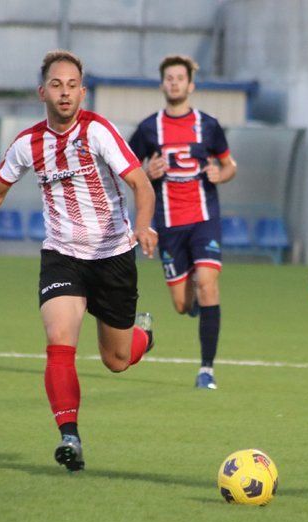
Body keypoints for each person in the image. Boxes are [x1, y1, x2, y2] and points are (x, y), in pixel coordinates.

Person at [0, 50, 158, 472]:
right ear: (43, 92)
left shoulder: (99, 133)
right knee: (59, 339)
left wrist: (144, 226)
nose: (65, 92)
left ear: (83, 92)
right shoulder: (26, 144)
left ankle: (143, 335)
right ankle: (69, 437)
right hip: (62, 256)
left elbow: (140, 184)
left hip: (113, 256)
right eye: (57, 85)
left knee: (117, 360)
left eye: (73, 85)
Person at [129, 55, 237, 390]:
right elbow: (128, 170)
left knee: (208, 283)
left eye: (180, 78)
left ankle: (206, 370)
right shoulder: (149, 129)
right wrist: (146, 172)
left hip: (204, 219)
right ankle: (181, 313)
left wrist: (222, 173)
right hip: (168, 225)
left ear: (190, 85)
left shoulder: (209, 125)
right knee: (181, 305)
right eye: (169, 78)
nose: (174, 83)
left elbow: (229, 165)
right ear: (162, 84)